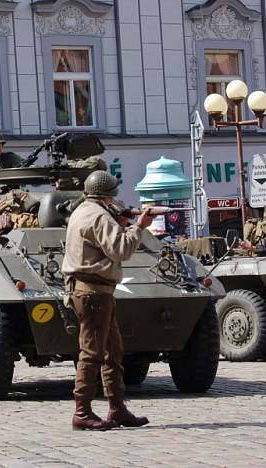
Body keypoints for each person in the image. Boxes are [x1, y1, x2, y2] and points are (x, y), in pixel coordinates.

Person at [62, 170, 154, 431]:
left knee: (112, 352)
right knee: (91, 353)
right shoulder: (100, 216)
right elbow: (122, 250)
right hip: (94, 292)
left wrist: (121, 222)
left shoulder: (84, 210)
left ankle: (117, 408)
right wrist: (139, 227)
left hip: (95, 292)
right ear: (107, 196)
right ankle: (82, 411)